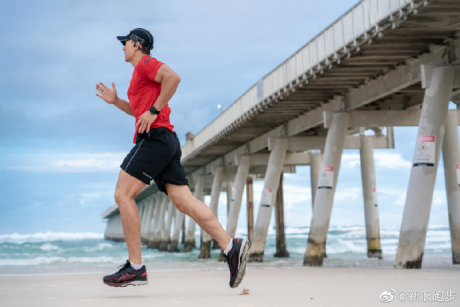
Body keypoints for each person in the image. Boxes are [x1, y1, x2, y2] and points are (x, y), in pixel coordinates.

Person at [95, 28, 250, 288]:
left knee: (123, 195)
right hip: (166, 140)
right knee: (184, 201)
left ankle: (136, 268)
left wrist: (154, 111)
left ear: (137, 44)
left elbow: (174, 78)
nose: (123, 47)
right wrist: (116, 102)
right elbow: (137, 111)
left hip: (155, 139)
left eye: (125, 43)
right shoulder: (138, 76)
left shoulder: (145, 63)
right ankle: (230, 245)